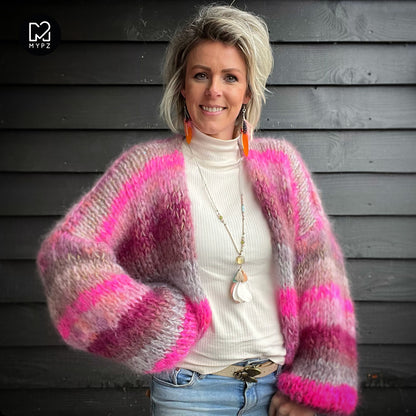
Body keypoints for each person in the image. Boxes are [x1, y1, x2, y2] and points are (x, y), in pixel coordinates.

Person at [36, 4, 358, 416]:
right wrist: (152, 324)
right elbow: (65, 254)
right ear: (182, 87)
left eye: (230, 77)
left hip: (274, 392)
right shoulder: (146, 169)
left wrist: (310, 391)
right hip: (189, 395)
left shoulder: (282, 167)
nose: (214, 91)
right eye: (201, 75)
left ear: (248, 92)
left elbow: (321, 275)